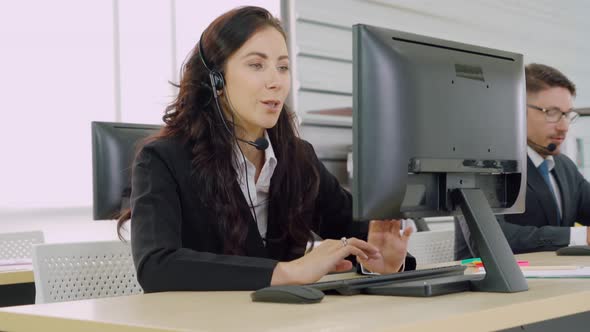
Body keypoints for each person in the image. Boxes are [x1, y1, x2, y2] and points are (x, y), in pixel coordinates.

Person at [117, 6, 415, 292]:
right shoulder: (163, 159)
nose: (276, 81)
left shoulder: (298, 159)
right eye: (256, 65)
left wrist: (382, 261)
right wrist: (287, 272)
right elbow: (156, 266)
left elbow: (360, 235)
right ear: (216, 79)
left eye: (283, 67)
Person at [455, 63, 590, 259]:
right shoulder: (484, 165)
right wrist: (578, 235)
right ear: (516, 109)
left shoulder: (563, 166)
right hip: (486, 284)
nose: (564, 126)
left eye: (567, 114)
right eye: (551, 113)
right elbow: (486, 238)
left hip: (554, 281)